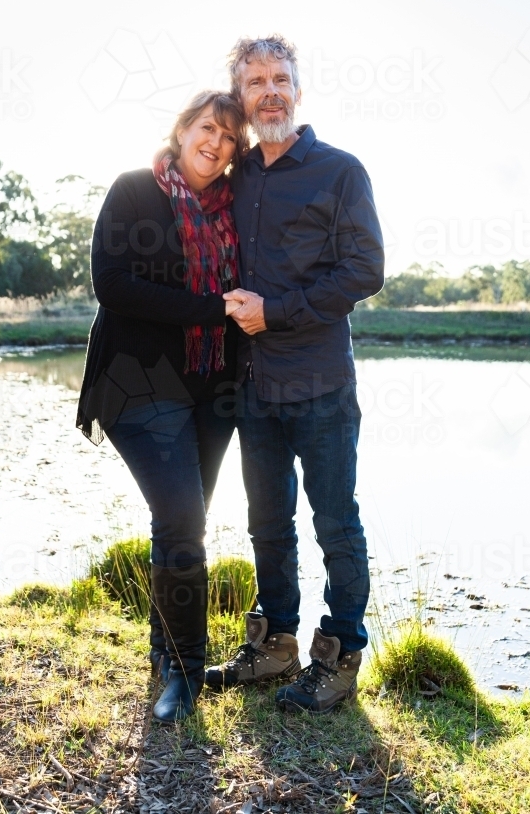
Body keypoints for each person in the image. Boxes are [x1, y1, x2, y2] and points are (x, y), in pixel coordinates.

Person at [204, 36, 385, 713]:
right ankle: (273, 646)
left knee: (336, 523)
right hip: (253, 388)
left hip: (321, 386)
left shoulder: (340, 171)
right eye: (255, 81)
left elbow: (364, 271)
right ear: (241, 97)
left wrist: (275, 312)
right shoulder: (236, 177)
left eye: (280, 78)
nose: (270, 90)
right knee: (266, 524)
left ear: (298, 90)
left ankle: (337, 659)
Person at [77, 90, 248, 723]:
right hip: (137, 383)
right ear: (182, 130)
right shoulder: (134, 191)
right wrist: (212, 308)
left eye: (231, 137)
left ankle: (161, 648)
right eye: (209, 128)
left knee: (179, 522)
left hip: (212, 387)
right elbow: (113, 284)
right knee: (181, 516)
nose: (217, 143)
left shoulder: (236, 209)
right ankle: (186, 668)